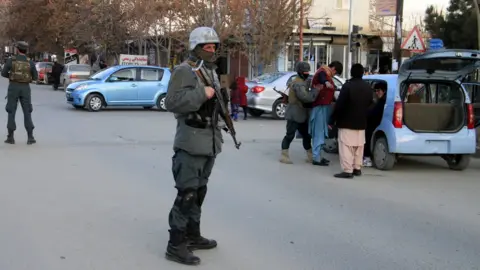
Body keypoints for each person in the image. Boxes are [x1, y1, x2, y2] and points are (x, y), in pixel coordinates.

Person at [164, 26, 224, 266]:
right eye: (206, 47)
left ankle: (192, 234)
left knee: (199, 192)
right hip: (190, 143)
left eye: (213, 47)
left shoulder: (210, 71)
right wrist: (203, 93)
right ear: (195, 48)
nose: (211, 51)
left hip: (209, 142)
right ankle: (175, 245)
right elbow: (172, 102)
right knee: (187, 194)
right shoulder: (185, 71)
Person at [329, 63, 373, 178]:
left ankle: (347, 170)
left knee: (346, 147)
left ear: (351, 73)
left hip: (346, 121)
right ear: (363, 73)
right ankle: (357, 168)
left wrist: (332, 118)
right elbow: (370, 104)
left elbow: (340, 104)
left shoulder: (348, 86)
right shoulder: (368, 87)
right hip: (362, 122)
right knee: (359, 146)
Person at [280, 61, 319, 164]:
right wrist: (316, 91)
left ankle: (310, 155)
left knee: (306, 135)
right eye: (305, 71)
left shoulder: (300, 81)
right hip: (294, 113)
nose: (307, 73)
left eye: (308, 71)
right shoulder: (298, 83)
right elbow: (305, 97)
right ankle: (284, 156)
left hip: (301, 114)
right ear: (300, 72)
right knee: (290, 135)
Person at [1, 41, 37, 145]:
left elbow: (3, 73)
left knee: (11, 111)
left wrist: (13, 76)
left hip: (13, 87)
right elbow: (35, 77)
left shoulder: (11, 60)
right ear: (26, 50)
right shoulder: (30, 62)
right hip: (25, 88)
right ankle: (30, 137)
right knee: (27, 112)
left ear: (17, 50)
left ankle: (10, 137)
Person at [309, 61, 343, 166]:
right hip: (319, 107)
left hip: (324, 106)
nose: (334, 75)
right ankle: (316, 157)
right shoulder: (323, 72)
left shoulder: (326, 74)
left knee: (322, 132)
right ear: (333, 69)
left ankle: (319, 156)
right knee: (318, 132)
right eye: (335, 73)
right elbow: (322, 78)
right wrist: (326, 83)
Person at [363, 81, 387, 167]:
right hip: (377, 124)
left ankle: (367, 157)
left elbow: (373, 114)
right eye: (376, 91)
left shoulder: (382, 102)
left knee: (367, 136)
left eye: (379, 90)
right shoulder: (381, 101)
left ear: (384, 91)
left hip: (375, 125)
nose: (377, 93)